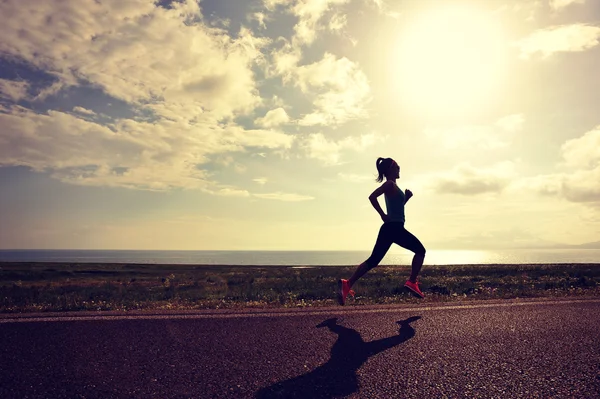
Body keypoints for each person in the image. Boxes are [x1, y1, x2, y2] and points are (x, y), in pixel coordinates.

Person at [337, 157, 426, 305]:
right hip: (394, 228)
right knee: (420, 251)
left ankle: (347, 284)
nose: (399, 168)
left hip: (391, 228)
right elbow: (372, 197)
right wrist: (382, 215)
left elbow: (397, 209)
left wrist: (406, 199)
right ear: (390, 169)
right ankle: (412, 282)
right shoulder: (389, 184)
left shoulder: (394, 188)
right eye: (397, 166)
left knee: (373, 261)